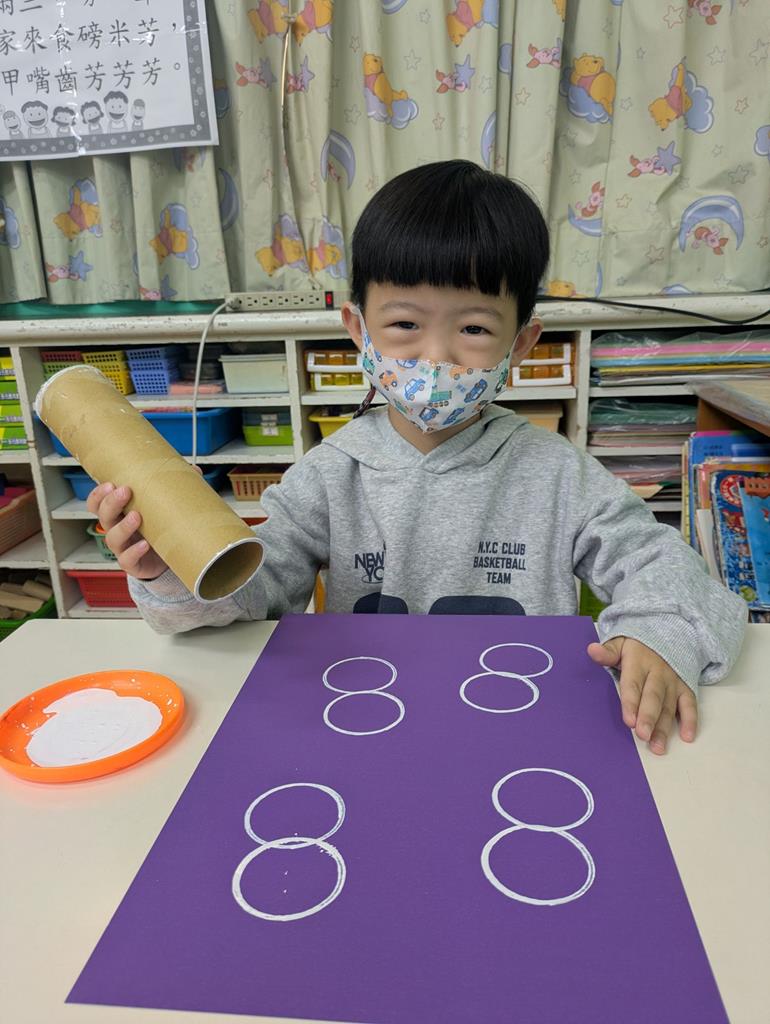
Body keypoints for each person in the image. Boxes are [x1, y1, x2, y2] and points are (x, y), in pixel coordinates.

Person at [88, 159, 747, 756]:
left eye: (474, 328)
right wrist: (172, 571)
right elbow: (250, 601)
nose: (435, 357)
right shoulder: (330, 473)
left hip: (519, 729)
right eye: (405, 324)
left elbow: (667, 566)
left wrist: (659, 634)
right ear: (359, 330)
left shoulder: (558, 474)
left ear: (521, 345)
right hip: (363, 727)